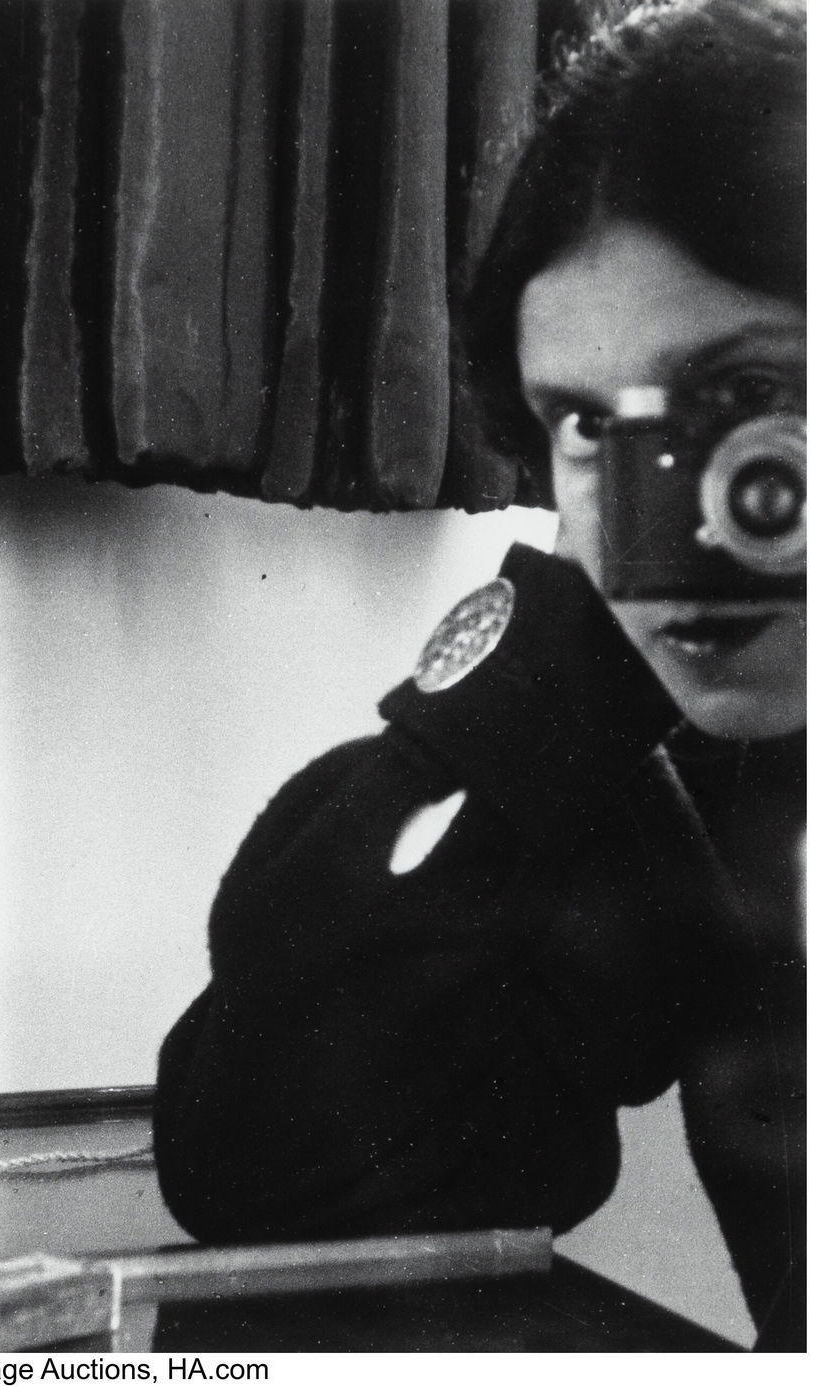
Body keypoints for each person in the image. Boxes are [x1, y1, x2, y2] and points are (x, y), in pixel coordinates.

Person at [152, 0, 804, 1351]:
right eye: (584, 421)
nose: (650, 501)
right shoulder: (721, 761)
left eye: (741, 388)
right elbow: (267, 1171)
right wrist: (565, 655)